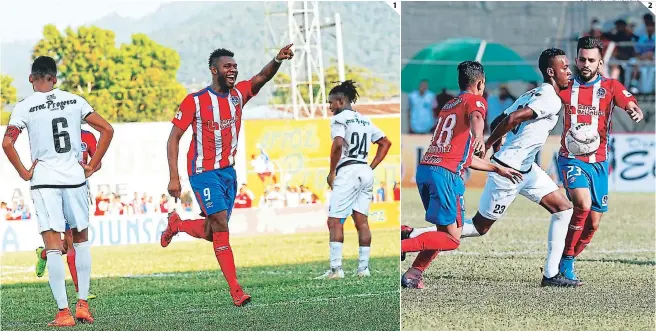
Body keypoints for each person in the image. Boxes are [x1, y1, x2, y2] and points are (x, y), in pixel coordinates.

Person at [407, 48, 578, 287]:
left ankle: (551, 274)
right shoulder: (549, 97)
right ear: (551, 72)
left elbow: (501, 119)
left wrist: (495, 142)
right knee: (478, 228)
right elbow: (510, 120)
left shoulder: (532, 93)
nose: (569, 72)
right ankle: (411, 236)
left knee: (563, 209)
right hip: (510, 170)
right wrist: (487, 143)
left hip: (525, 168)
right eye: (565, 67)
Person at [159, 45, 294, 307]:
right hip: (202, 172)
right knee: (221, 225)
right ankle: (236, 291)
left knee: (213, 231)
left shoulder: (238, 95)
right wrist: (173, 177)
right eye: (227, 66)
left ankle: (178, 225)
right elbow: (174, 137)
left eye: (234, 66)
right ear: (214, 70)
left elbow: (261, 77)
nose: (232, 70)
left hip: (228, 173)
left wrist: (277, 59)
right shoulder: (195, 101)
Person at [2, 56, 113, 326]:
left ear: (31, 78)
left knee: (53, 246)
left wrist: (24, 172)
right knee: (81, 241)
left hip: (45, 182)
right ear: (55, 77)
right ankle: (83, 305)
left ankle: (64, 313)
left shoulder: (24, 106)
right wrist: (92, 164)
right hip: (74, 179)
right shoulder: (75, 101)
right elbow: (107, 130)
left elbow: (7, 143)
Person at [399, 61, 523, 289]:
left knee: (442, 231)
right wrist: (479, 136)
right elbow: (477, 116)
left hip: (427, 169)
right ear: (480, 83)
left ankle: (414, 273)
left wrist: (497, 168)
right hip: (445, 175)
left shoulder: (449, 105)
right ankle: (400, 244)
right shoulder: (475, 100)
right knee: (452, 239)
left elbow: (464, 158)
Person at [557, 36, 643, 283]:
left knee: (593, 222)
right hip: (571, 158)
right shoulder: (565, 87)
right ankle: (563, 264)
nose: (586, 64)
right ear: (576, 59)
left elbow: (628, 101)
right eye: (582, 59)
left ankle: (566, 260)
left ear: (600, 62)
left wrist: (632, 108)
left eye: (591, 60)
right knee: (582, 205)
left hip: (599, 162)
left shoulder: (611, 86)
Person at [316, 80, 392, 279]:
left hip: (348, 171)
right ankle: (363, 269)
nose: (330, 107)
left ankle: (336, 270)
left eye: (331, 103)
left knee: (334, 221)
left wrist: (332, 172)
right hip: (364, 171)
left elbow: (338, 144)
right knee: (362, 222)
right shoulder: (365, 120)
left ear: (341, 101)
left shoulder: (340, 119)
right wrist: (371, 167)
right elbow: (385, 143)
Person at [35, 129, 99, 300]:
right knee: (72, 240)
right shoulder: (55, 133)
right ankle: (81, 293)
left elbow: (97, 162)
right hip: (58, 192)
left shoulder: (88, 136)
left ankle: (43, 254)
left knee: (74, 239)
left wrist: (88, 169)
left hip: (80, 190)